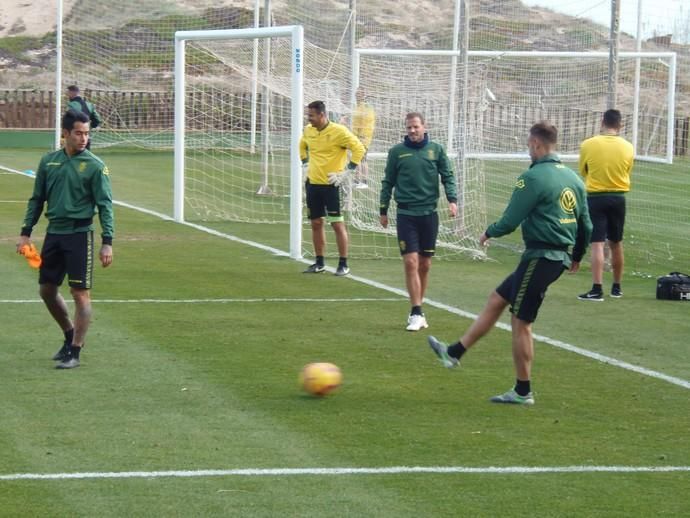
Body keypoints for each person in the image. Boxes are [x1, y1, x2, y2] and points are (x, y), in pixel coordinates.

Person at [427, 121, 592, 405]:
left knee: (521, 322)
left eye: (529, 145)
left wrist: (489, 231)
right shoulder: (574, 178)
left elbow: (512, 218)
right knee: (497, 299)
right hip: (556, 257)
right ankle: (453, 353)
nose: (529, 149)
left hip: (541, 257)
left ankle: (523, 391)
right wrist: (577, 256)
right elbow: (586, 225)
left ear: (537, 145)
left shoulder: (533, 177)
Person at [17, 109, 114, 369]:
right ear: (65, 134)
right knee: (47, 289)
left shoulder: (95, 166)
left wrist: (107, 241)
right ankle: (69, 334)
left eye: (87, 134)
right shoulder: (49, 162)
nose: (84, 138)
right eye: (79, 133)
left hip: (80, 235)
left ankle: (75, 351)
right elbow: (37, 199)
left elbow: (105, 205)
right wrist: (25, 233)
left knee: (80, 293)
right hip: (54, 234)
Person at [379, 112, 458, 331]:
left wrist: (452, 200)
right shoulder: (397, 152)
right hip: (406, 214)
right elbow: (388, 181)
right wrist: (383, 209)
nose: (412, 131)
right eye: (408, 128)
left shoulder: (436, 150)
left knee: (425, 264)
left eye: (415, 127)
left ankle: (419, 309)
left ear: (424, 126)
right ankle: (416, 311)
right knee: (410, 262)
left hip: (429, 215)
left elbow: (448, 176)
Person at [299, 100, 366, 276]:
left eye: (311, 115)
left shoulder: (339, 132)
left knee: (337, 224)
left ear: (322, 115)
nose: (309, 119)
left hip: (332, 185)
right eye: (308, 115)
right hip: (313, 184)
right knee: (316, 223)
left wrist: (347, 171)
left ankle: (343, 263)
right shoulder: (308, 130)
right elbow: (302, 145)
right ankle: (319, 262)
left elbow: (359, 149)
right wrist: (305, 163)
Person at [576, 109, 634, 301]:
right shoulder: (628, 147)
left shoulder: (588, 144)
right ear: (620, 125)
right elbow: (627, 170)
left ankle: (597, 288)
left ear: (602, 122)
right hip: (618, 197)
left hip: (596, 197)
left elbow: (584, 171)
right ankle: (617, 287)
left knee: (597, 244)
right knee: (616, 242)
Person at [351, 88, 376, 189]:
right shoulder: (358, 106)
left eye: (358, 94)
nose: (356, 96)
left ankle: (363, 182)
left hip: (363, 137)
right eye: (356, 94)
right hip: (359, 136)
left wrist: (361, 135)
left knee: (361, 159)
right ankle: (357, 180)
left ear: (363, 95)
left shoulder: (365, 107)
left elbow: (366, 122)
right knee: (359, 158)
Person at [66, 85, 102, 150]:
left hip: (75, 136)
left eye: (68, 93)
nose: (67, 95)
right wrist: (92, 126)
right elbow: (97, 119)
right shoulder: (89, 104)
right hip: (86, 135)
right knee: (86, 156)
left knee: (74, 156)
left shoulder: (72, 105)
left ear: (72, 92)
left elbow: (69, 119)